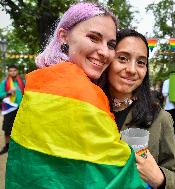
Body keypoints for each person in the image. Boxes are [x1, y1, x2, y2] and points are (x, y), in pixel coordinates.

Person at [6, 3, 148, 189]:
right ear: (63, 36)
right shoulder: (79, 90)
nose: (105, 52)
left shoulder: (41, 81)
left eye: (111, 44)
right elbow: (116, 174)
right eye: (93, 38)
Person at [100, 29, 175, 189]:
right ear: (108, 60)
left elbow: (174, 174)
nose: (132, 70)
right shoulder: (87, 108)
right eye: (122, 58)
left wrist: (159, 178)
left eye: (141, 62)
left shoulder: (159, 118)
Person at [0, 65, 25, 155]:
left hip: (21, 108)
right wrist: (8, 92)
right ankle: (7, 146)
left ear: (17, 71)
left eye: (14, 70)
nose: (13, 72)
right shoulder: (4, 83)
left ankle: (19, 147)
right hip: (9, 108)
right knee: (7, 128)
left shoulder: (22, 82)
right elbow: (0, 95)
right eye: (11, 71)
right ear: (8, 72)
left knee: (20, 128)